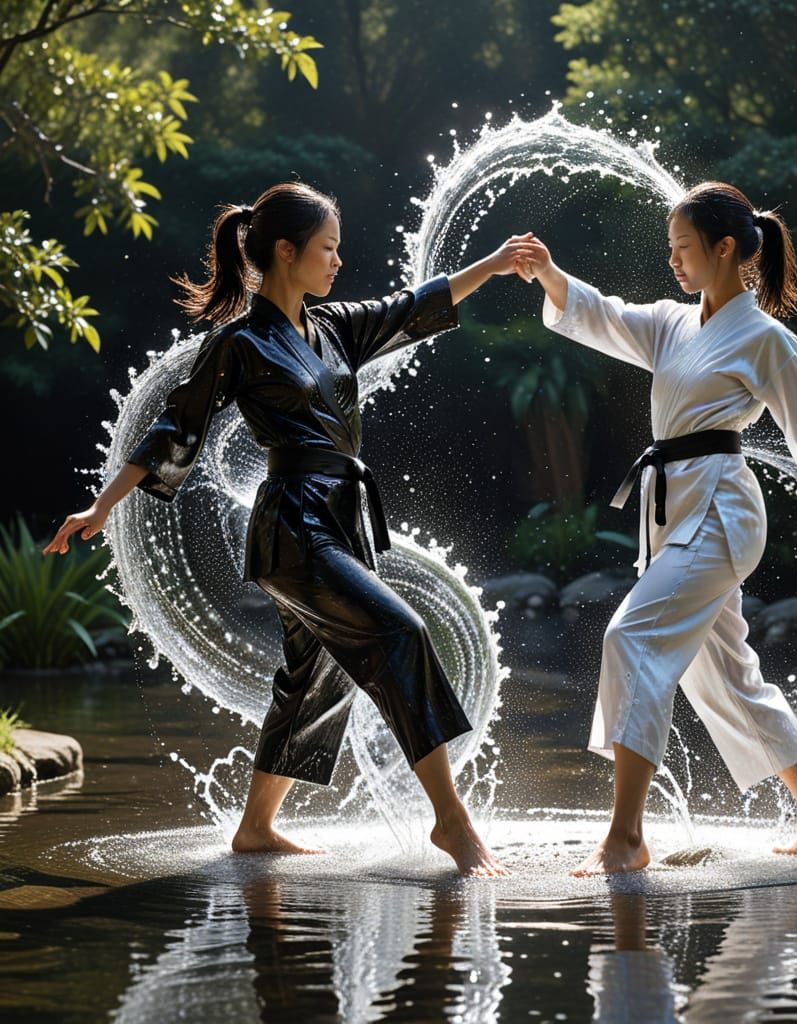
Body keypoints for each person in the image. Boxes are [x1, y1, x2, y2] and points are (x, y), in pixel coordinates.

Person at [43, 181, 535, 877]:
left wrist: (492, 261)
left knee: (315, 679)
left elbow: (414, 307)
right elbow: (173, 427)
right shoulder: (240, 343)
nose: (337, 262)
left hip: (341, 518)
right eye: (327, 249)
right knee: (401, 633)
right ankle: (452, 822)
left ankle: (256, 828)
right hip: (293, 527)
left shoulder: (334, 329)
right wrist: (101, 506)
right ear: (285, 250)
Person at [510, 181, 797, 875]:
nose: (674, 262)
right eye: (669, 250)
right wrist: (548, 273)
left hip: (720, 511)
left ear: (724, 248)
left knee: (632, 637)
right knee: (723, 677)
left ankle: (625, 836)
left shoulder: (765, 338)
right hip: (676, 515)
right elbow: (601, 314)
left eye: (683, 249)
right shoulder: (673, 324)